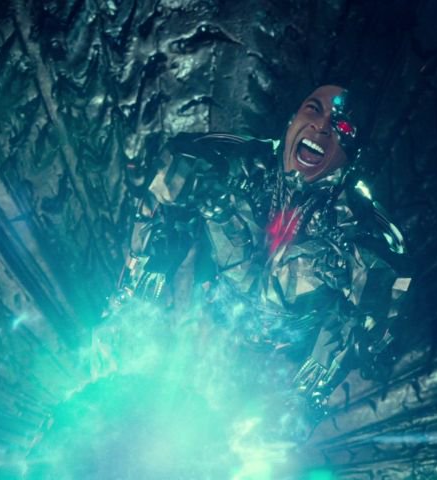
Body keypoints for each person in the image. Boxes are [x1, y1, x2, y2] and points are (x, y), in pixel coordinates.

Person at [109, 84, 411, 420]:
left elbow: (381, 310)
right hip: (209, 316)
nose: (321, 126)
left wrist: (313, 391)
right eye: (313, 109)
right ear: (293, 118)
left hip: (280, 361)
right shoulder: (236, 159)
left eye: (340, 125)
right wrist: (135, 287)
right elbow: (173, 174)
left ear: (353, 151)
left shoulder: (362, 228)